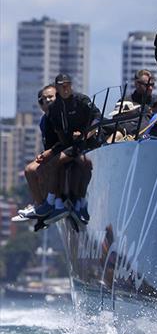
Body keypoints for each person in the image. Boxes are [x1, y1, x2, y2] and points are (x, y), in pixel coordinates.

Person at [29, 73, 100, 224]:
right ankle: (52, 203)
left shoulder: (81, 100)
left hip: (87, 142)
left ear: (71, 85)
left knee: (84, 164)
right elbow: (60, 134)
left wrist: (85, 134)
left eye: (67, 85)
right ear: (58, 88)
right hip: (70, 145)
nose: (65, 88)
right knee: (53, 163)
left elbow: (97, 118)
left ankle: (80, 204)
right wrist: (55, 150)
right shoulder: (54, 108)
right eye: (61, 86)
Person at [17, 85, 58, 217]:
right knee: (29, 170)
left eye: (51, 97)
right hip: (52, 153)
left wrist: (50, 153)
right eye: (42, 100)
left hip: (63, 152)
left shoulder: (62, 115)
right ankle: (40, 206)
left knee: (42, 169)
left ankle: (48, 204)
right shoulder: (43, 121)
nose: (46, 101)